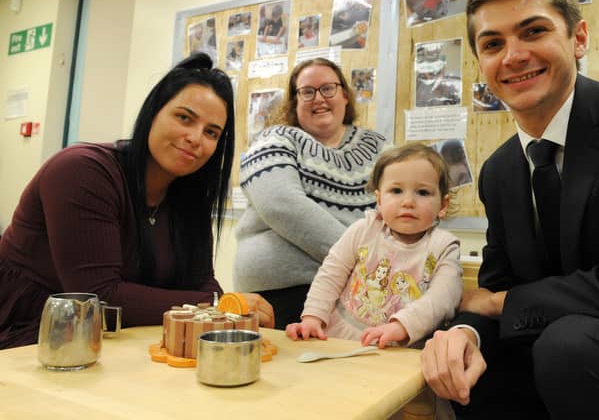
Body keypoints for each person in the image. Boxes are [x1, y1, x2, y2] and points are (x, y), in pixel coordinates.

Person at [420, 0, 599, 419]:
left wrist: (503, 304)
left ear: (578, 39)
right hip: (564, 349)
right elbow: (494, 286)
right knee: (468, 368)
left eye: (533, 31)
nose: (514, 56)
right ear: (481, 64)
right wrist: (466, 334)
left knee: (566, 347)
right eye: (493, 44)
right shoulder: (499, 171)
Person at [0, 53, 274, 349]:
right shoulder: (82, 172)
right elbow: (100, 298)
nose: (196, 138)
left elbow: (201, 283)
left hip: (116, 341)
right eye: (184, 118)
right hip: (26, 335)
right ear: (153, 112)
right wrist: (221, 305)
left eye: (211, 132)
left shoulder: (188, 195)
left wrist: (230, 307)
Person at [234, 57, 388, 330]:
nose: (319, 98)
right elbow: (281, 205)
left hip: (363, 295)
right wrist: (365, 265)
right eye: (307, 92)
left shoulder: (380, 149)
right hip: (280, 297)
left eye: (328, 88)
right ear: (294, 102)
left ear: (344, 95)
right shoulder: (274, 139)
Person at [285, 143, 462, 348]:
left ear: (443, 205)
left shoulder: (444, 246)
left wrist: (402, 326)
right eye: (396, 190)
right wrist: (313, 318)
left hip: (402, 348)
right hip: (338, 338)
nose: (408, 201)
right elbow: (330, 275)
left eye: (422, 192)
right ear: (379, 199)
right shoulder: (363, 230)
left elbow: (443, 298)